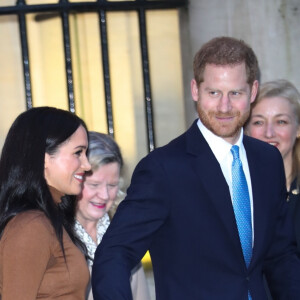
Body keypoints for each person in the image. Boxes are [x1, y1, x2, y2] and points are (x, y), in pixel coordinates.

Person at [92, 36, 300, 299]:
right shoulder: (163, 169)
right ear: (195, 90)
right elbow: (115, 252)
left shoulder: (267, 161)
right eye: (213, 93)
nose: (224, 107)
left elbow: (281, 255)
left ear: (253, 91)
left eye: (235, 93)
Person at [0, 106, 92, 299]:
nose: (87, 165)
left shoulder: (50, 218)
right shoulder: (31, 225)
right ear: (44, 158)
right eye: (78, 153)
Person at [75, 131, 151, 300]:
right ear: (74, 180)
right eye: (94, 185)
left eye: (112, 184)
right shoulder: (55, 238)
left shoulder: (123, 237)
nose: (104, 194)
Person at [245, 79, 300, 256]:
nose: (269, 133)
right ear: (246, 131)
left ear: (298, 129)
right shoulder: (234, 191)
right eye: (258, 122)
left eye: (281, 122)